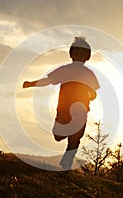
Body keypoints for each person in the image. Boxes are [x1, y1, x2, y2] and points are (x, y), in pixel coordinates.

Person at [23, 37, 100, 170]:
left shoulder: (89, 73)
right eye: (77, 52)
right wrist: (32, 84)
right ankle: (66, 156)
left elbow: (94, 91)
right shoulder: (65, 70)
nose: (79, 56)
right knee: (58, 136)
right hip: (64, 109)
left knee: (75, 139)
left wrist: (91, 95)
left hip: (81, 111)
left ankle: (66, 163)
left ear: (87, 57)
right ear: (71, 54)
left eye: (83, 53)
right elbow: (48, 80)